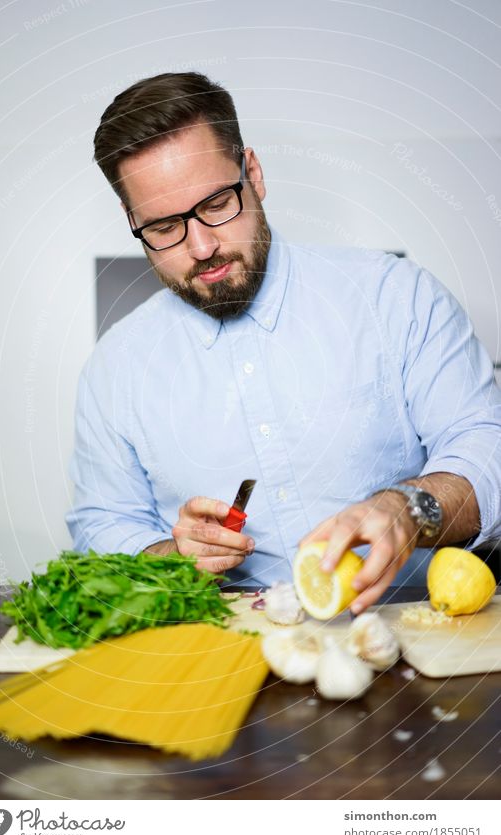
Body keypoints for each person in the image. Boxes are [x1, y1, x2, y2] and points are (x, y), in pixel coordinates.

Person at [66, 72, 501, 614]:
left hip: (411, 635)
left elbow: (486, 444)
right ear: (133, 221)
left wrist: (409, 508)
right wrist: (166, 557)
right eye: (163, 228)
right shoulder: (116, 367)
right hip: (215, 652)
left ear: (254, 173)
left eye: (218, 202)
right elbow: (101, 523)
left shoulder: (395, 297)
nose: (201, 246)